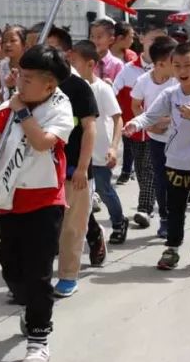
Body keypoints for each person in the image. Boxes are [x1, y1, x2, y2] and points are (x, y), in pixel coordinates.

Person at [0, 44, 73, 362]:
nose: (20, 84)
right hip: (9, 200)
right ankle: (31, 307)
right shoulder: (8, 107)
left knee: (39, 274)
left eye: (28, 79)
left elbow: (42, 143)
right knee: (10, 265)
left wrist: (23, 113)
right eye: (20, 77)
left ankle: (39, 336)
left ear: (49, 85)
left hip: (44, 200)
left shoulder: (60, 108)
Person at [124, 44, 190, 268]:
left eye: (188, 65)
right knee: (174, 207)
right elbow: (149, 116)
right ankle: (172, 248)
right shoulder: (170, 95)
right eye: (177, 65)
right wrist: (134, 124)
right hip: (174, 160)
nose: (182, 70)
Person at [43, 26, 101, 296]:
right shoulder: (39, 85)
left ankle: (68, 277)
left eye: (54, 48)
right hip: (42, 171)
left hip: (74, 172)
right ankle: (36, 278)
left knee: (72, 229)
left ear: (66, 53)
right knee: (43, 230)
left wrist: (82, 168)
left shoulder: (79, 88)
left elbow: (90, 128)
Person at [74, 41, 126, 243]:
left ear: (90, 64)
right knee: (82, 195)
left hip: (101, 151)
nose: (72, 66)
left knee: (105, 190)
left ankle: (119, 222)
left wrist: (113, 147)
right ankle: (89, 231)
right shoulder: (74, 88)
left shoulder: (102, 88)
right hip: (82, 152)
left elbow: (117, 117)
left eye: (75, 62)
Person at [131, 35, 177, 234]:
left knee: (175, 181)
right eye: (173, 63)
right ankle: (165, 219)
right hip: (156, 139)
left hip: (176, 140)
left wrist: (165, 121)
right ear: (159, 64)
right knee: (159, 179)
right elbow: (135, 105)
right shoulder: (143, 81)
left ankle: (176, 216)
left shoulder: (177, 81)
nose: (178, 67)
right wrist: (150, 127)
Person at [112, 26, 164, 187]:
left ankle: (145, 207)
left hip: (158, 132)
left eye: (161, 41)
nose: (157, 45)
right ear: (141, 39)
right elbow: (112, 93)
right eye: (153, 40)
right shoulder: (128, 69)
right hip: (133, 129)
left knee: (150, 169)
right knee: (142, 171)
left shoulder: (168, 71)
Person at [0, 24, 28, 104]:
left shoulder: (32, 67)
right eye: (4, 42)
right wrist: (7, 94)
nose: (7, 45)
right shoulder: (1, 66)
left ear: (24, 44)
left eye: (13, 41)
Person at [89, 18, 125, 82]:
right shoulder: (86, 63)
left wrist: (112, 87)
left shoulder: (117, 65)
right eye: (92, 36)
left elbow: (121, 89)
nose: (94, 41)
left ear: (111, 40)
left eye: (99, 37)